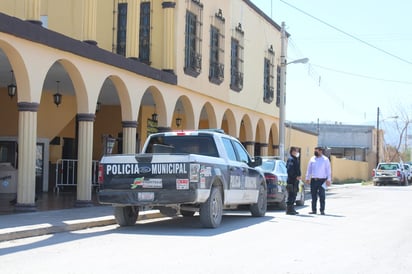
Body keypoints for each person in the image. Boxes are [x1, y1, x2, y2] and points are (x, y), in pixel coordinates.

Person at [305, 146, 331, 215]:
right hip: (314, 180)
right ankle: (314, 210)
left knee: (322, 196)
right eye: (315, 150)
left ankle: (322, 210)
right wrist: (307, 178)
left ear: (321, 151)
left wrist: (329, 180)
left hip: (322, 181)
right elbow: (309, 169)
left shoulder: (325, 159)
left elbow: (328, 170)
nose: (315, 152)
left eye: (316, 151)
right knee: (313, 196)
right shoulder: (312, 159)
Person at [285, 146, 301, 215]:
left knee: (294, 194)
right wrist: (295, 177)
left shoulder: (295, 159)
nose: (297, 152)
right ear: (292, 152)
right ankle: (289, 210)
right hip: (292, 180)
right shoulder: (291, 159)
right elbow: (290, 170)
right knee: (291, 195)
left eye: (297, 151)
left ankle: (292, 209)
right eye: (295, 151)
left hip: (295, 180)